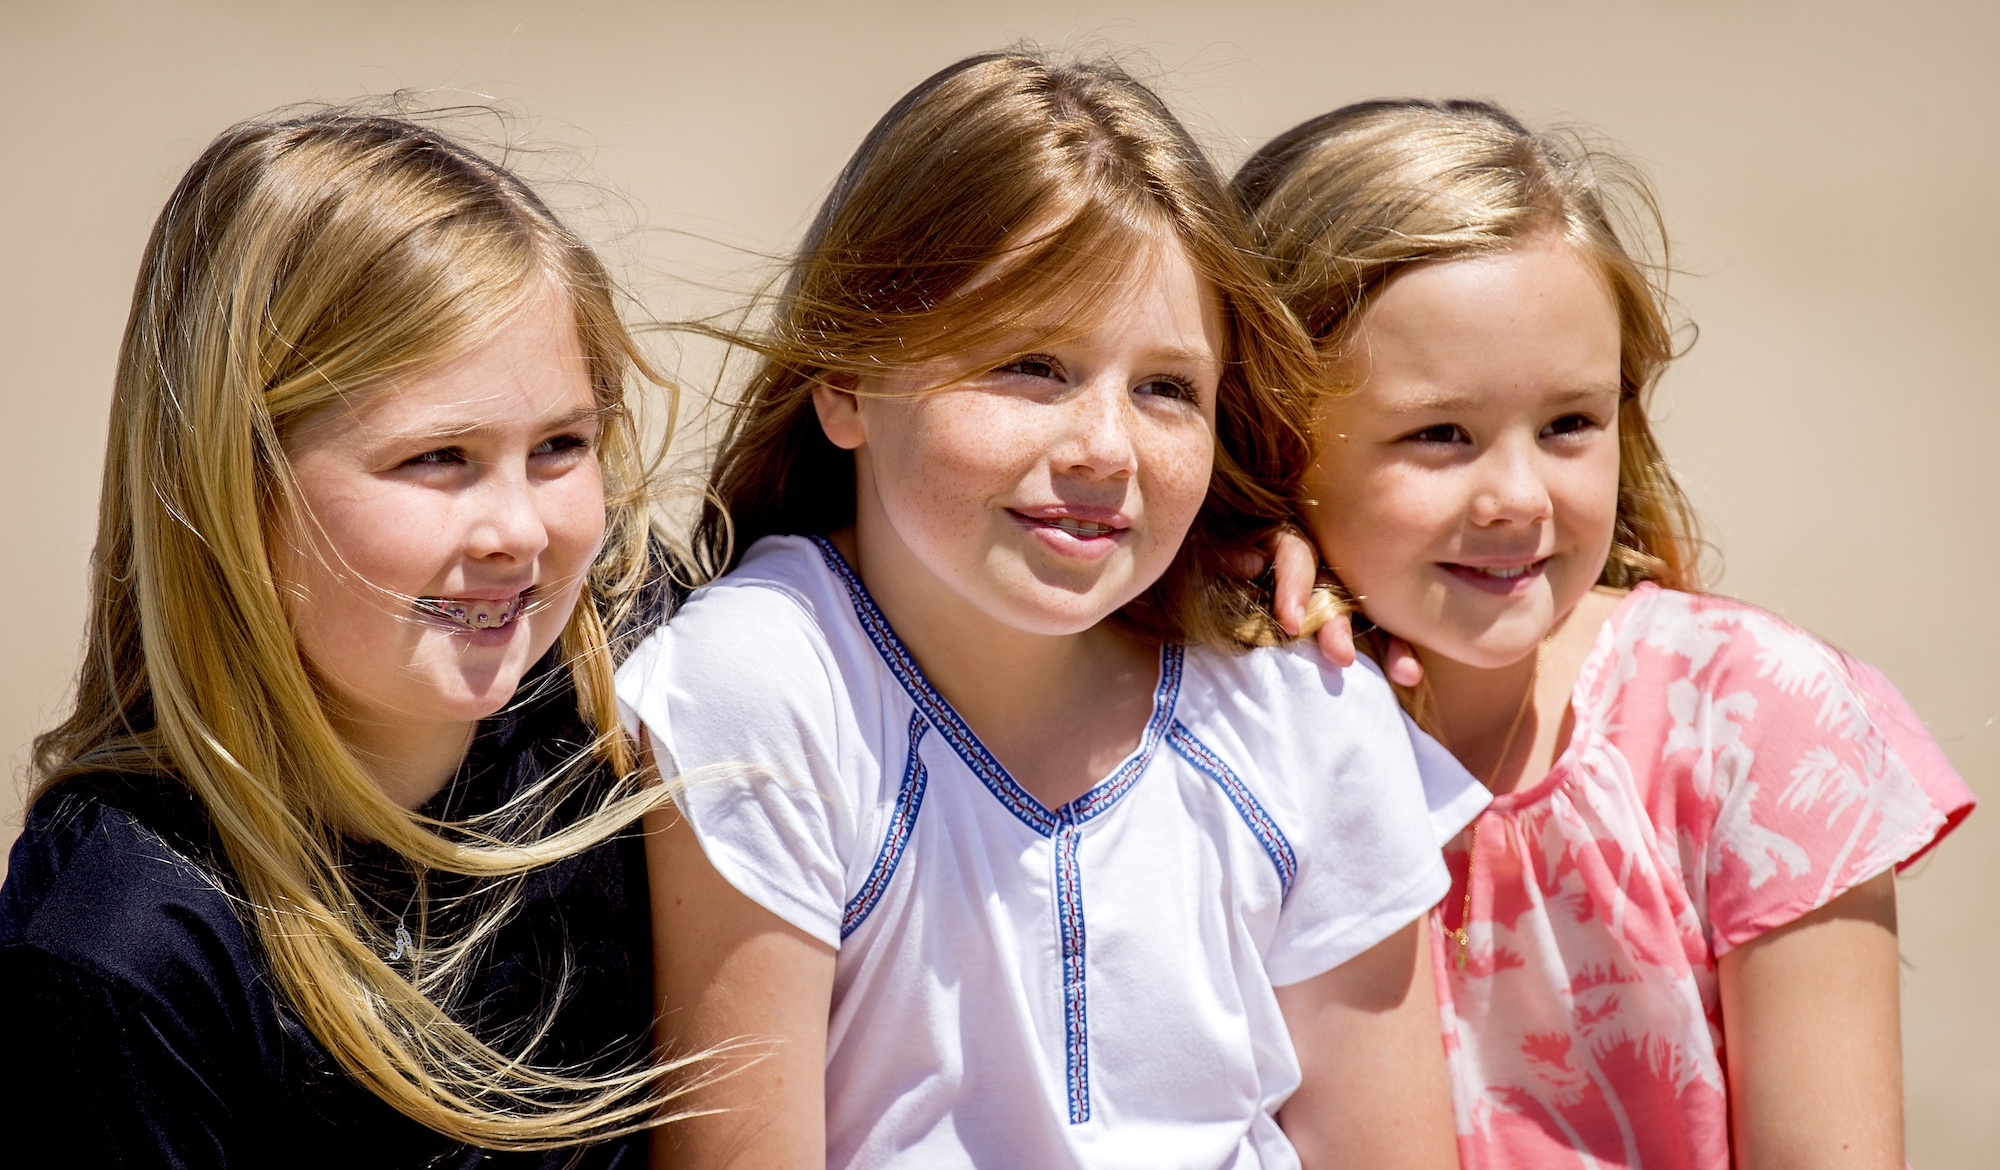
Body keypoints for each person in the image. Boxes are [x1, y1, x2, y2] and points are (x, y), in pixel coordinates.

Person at [615, 52, 1485, 1170]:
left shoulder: (1301, 703)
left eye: (1166, 388)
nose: (1103, 450)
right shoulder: (763, 681)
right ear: (843, 384)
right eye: (1030, 366)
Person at [1237, 98, 1976, 1170]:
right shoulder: (1201, 722)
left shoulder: (1754, 721)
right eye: (1437, 434)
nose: (1516, 498)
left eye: (1567, 424)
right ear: (1266, 430)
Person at [0, 107, 694, 1166]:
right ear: (236, 483)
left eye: (561, 445)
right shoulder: (125, 949)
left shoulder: (634, 692)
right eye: (438, 457)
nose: (518, 532)